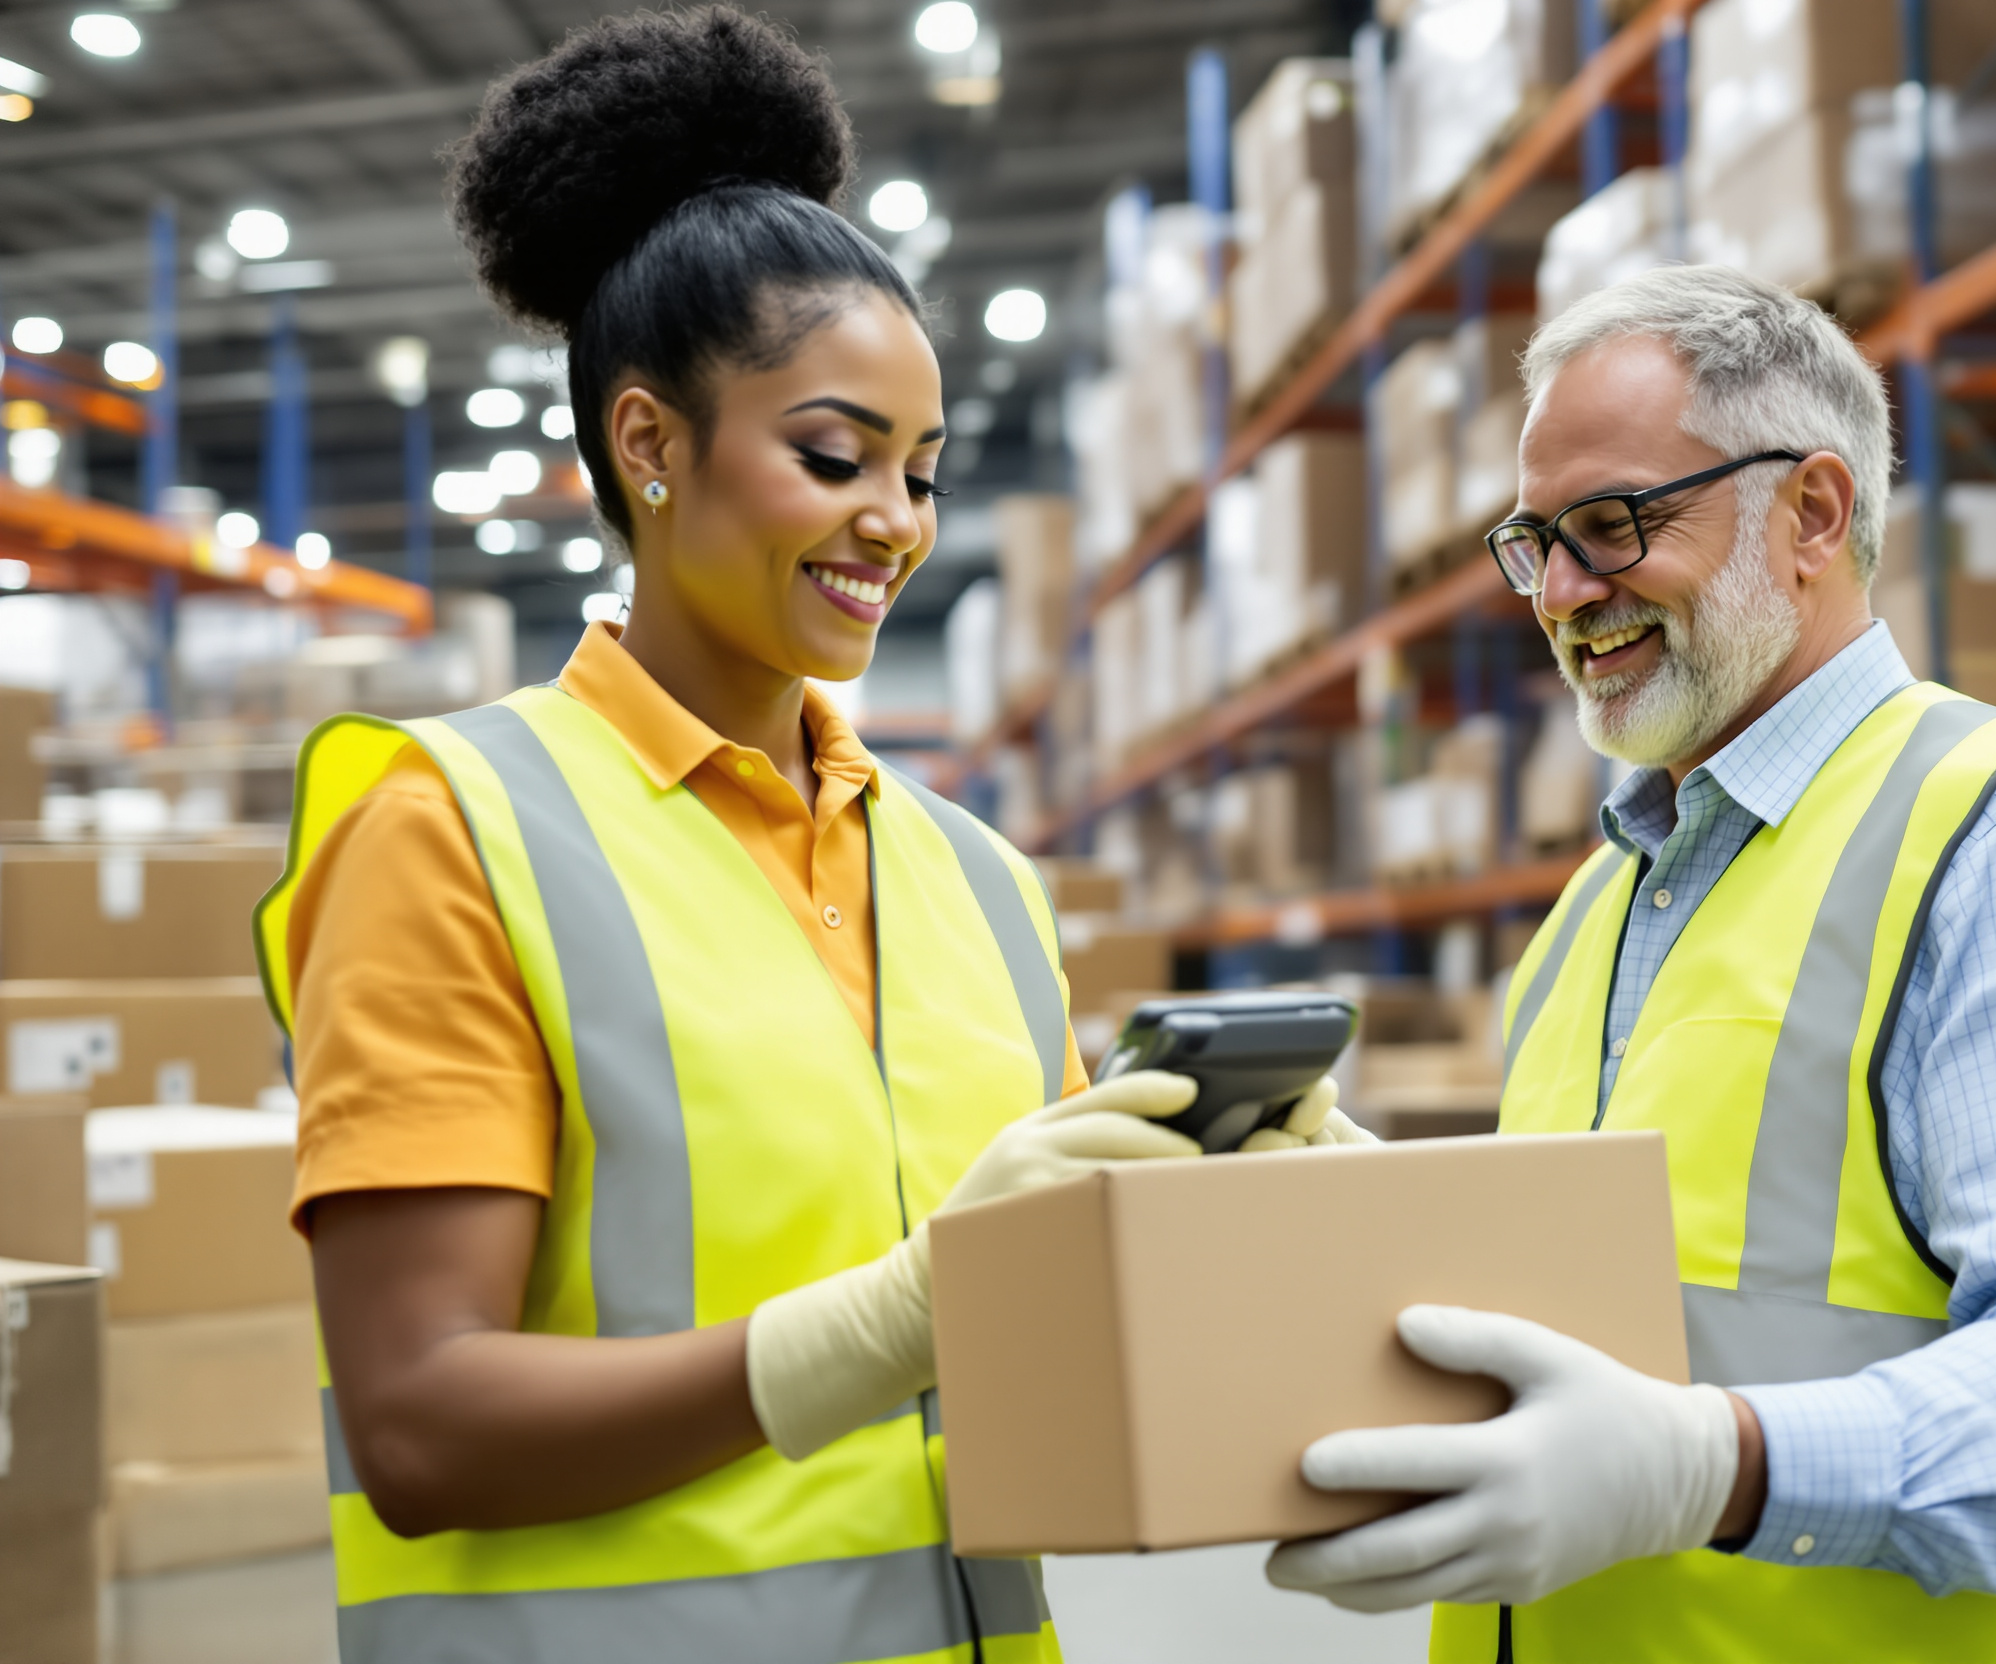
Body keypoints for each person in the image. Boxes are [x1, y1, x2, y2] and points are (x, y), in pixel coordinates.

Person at [251, 13, 1358, 1662]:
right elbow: (423, 1428)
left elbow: (1059, 1328)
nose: (896, 526)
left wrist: (1234, 1213)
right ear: (649, 447)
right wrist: (900, 1316)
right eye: (832, 459)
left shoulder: (976, 879)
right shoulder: (454, 830)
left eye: (922, 472)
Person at [1265, 264, 1996, 1660]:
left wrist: (1713, 1469)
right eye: (1534, 540)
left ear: (1814, 513)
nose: (1558, 592)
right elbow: (1649, 1307)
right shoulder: (1602, 904)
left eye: (1608, 526)